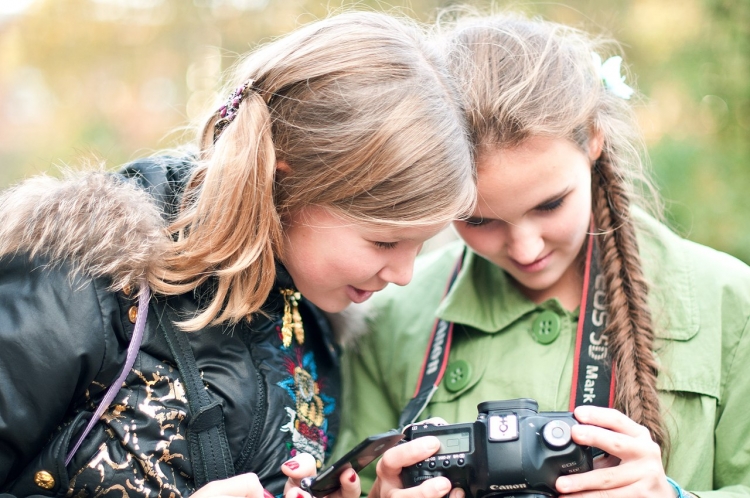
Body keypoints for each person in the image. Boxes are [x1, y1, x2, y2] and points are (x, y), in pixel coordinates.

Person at [0, 11, 476, 498]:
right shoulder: (83, 268)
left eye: (421, 245)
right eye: (384, 241)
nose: (403, 274)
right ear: (285, 180)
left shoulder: (314, 312)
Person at [335, 10, 750, 498]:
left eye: (550, 204)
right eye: (479, 220)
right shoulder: (389, 317)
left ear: (594, 139)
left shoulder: (729, 301)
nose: (525, 247)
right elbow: (349, 482)